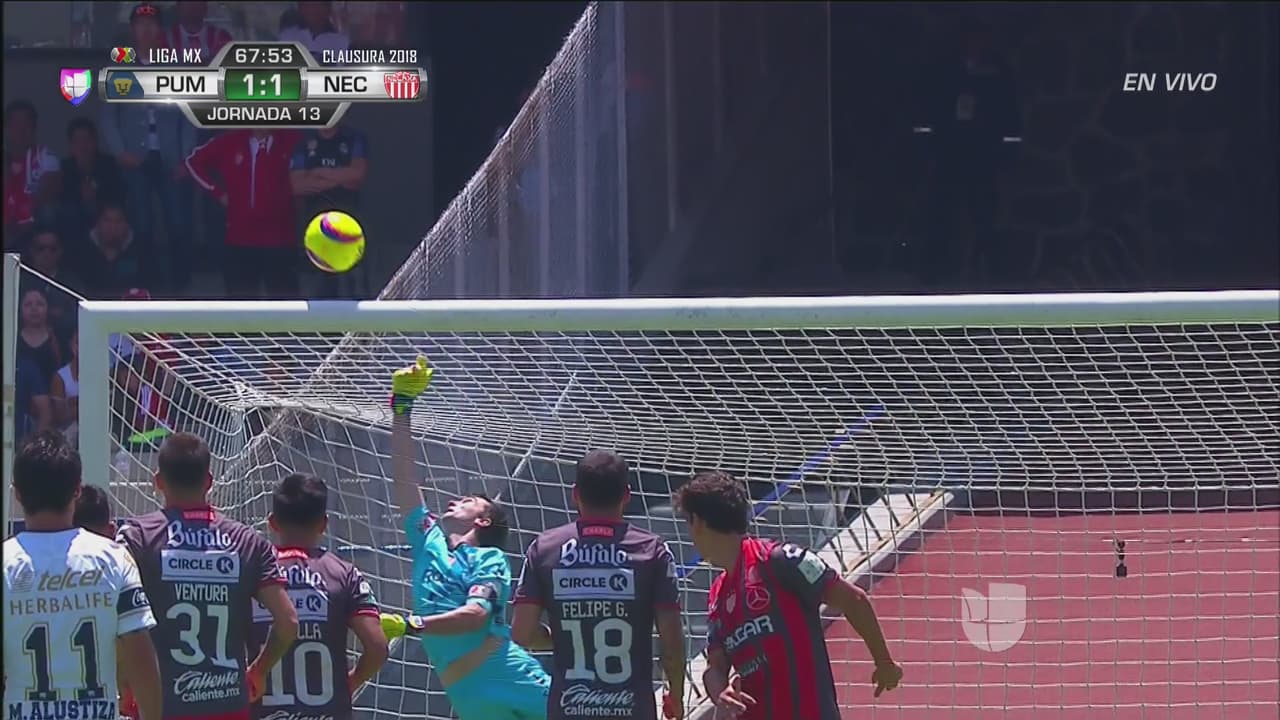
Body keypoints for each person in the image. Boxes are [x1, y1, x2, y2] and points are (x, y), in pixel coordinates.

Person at [378, 357, 551, 719]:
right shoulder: (429, 542)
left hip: (505, 673)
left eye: (469, 500)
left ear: (484, 521)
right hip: (464, 689)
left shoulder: (489, 559)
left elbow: (475, 616)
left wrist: (412, 625)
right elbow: (405, 478)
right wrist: (402, 407)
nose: (455, 501)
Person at [673, 471, 903, 720]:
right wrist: (720, 692)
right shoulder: (717, 595)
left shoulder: (781, 559)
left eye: (688, 521)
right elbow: (715, 667)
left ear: (698, 522)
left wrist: (884, 662)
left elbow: (853, 600)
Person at [115, 432, 299, 720]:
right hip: (227, 706)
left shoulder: (137, 537)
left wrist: (125, 682)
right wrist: (259, 670)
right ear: (209, 481)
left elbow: (117, 622)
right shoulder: (247, 541)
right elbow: (288, 622)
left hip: (161, 706)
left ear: (158, 481)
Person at [512, 450, 687, 720]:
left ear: (575, 494)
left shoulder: (544, 549)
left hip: (569, 709)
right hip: (632, 710)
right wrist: (675, 694)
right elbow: (672, 643)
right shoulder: (652, 551)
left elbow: (521, 634)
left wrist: (560, 638)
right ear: (626, 495)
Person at [4, 431, 163, 720]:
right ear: (77, 490)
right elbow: (140, 653)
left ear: (16, 493)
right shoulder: (113, 558)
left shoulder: (5, 564)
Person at [249, 473, 389, 719]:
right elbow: (377, 647)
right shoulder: (345, 574)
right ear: (324, 524)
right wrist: (350, 683)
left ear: (272, 522)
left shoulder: (253, 573)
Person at [185, 128, 302, 298]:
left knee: (285, 303)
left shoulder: (292, 139)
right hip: (240, 238)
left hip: (280, 239)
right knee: (241, 302)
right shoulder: (229, 141)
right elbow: (192, 162)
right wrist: (217, 192)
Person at [50, 330, 81, 442]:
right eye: (78, 343)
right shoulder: (60, 377)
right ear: (72, 346)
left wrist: (75, 403)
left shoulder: (102, 374)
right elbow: (60, 417)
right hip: (68, 432)